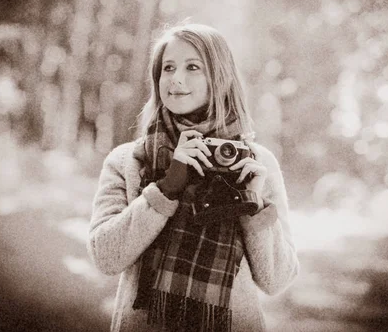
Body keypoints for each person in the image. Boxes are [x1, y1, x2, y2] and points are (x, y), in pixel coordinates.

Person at [88, 23, 299, 332]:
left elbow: (277, 280)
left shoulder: (257, 163)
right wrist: (165, 189)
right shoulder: (128, 161)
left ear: (220, 78)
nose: (176, 79)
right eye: (168, 68)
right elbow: (105, 258)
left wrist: (252, 206)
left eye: (193, 67)